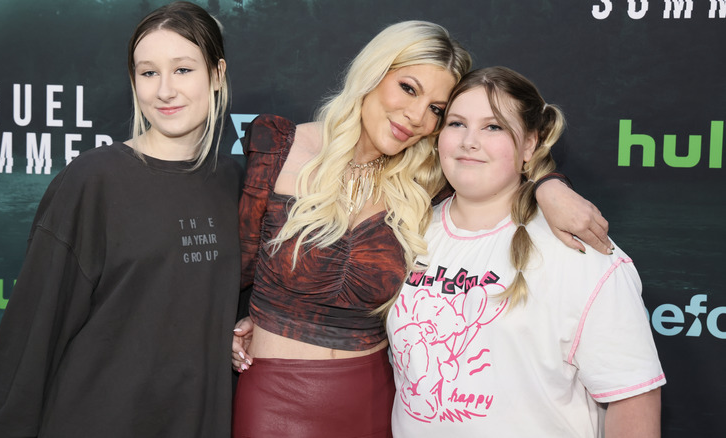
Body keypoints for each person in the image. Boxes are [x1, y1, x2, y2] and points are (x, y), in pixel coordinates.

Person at [231, 22, 612, 438]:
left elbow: (503, 167)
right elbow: (215, 269)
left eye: (436, 109)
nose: (416, 117)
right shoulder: (275, 150)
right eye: (409, 88)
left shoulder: (428, 182)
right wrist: (231, 325)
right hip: (274, 399)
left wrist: (549, 185)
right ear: (373, 73)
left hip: (375, 400)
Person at [0, 2, 242, 437]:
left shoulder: (235, 182)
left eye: (183, 70)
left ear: (217, 75)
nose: (165, 91)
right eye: (148, 72)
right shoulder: (93, 180)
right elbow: (32, 332)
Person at [387, 66, 665, 437]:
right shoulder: (405, 231)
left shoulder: (580, 249)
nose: (470, 141)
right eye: (456, 124)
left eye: (494, 126)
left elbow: (634, 399)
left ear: (530, 144)